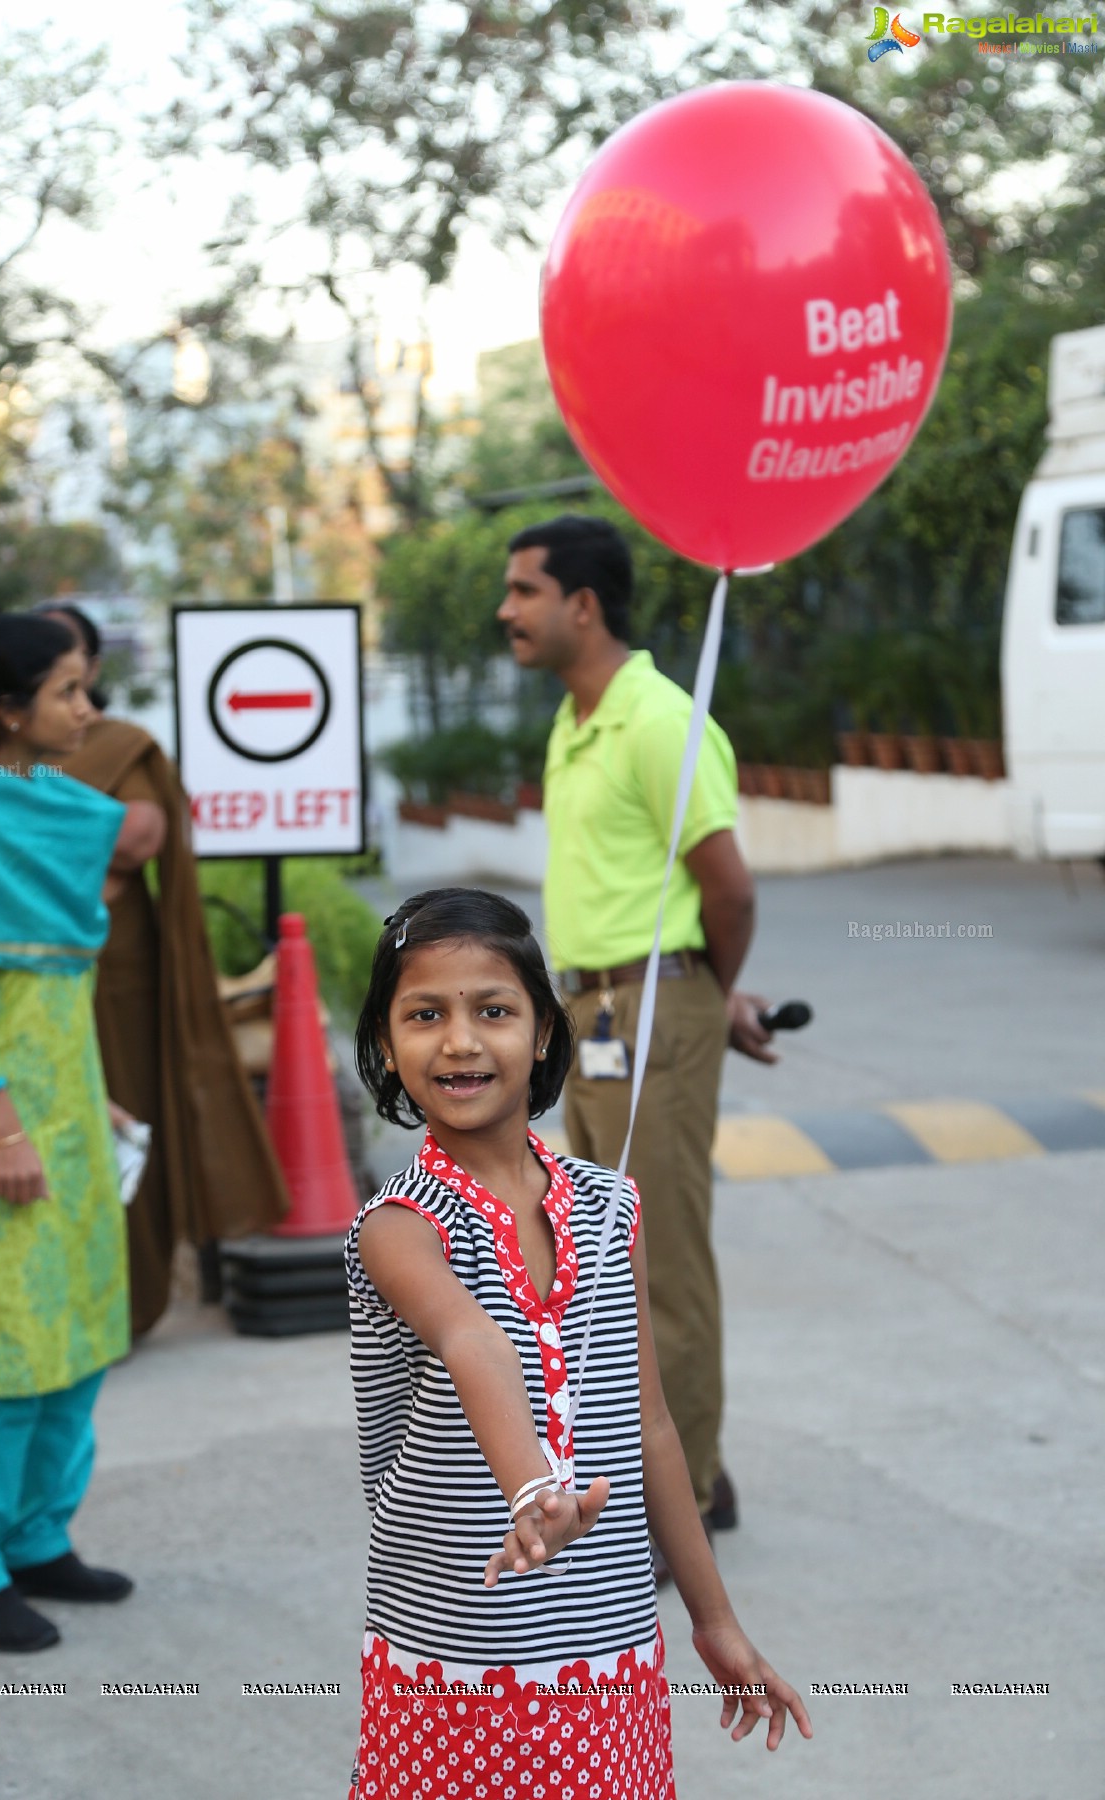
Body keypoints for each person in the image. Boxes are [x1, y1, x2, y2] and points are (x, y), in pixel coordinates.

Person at [346, 887, 811, 1800]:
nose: (461, 1041)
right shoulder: (398, 1226)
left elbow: (651, 1428)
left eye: (494, 1010)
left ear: (548, 1032)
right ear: (388, 1047)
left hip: (606, 1655)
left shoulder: (611, 1206)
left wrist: (714, 1622)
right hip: (456, 1656)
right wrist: (533, 1490)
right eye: (424, 1014)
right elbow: (471, 1339)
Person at [498, 515, 778, 1556]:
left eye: (525, 590)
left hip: (647, 1013)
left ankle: (689, 1498)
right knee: (608, 1259)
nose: (506, 610)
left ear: (584, 603)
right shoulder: (581, 721)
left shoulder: (659, 719)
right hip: (598, 1015)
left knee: (655, 1260)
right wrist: (710, 990)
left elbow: (730, 890)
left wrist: (704, 992)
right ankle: (690, 1469)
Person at [0, 613, 163, 1653]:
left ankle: (39, 1537)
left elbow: (50, 983)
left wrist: (89, 1099)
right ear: (10, 709)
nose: (88, 710)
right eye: (69, 692)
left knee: (79, 1329)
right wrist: (5, 1126)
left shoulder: (41, 801)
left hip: (68, 1111)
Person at [33, 603, 288, 1335]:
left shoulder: (121, 744)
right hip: (24, 972)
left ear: (92, 667)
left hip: (118, 971)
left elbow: (140, 834)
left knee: (122, 1118)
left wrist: (27, 836)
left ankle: (129, 1301)